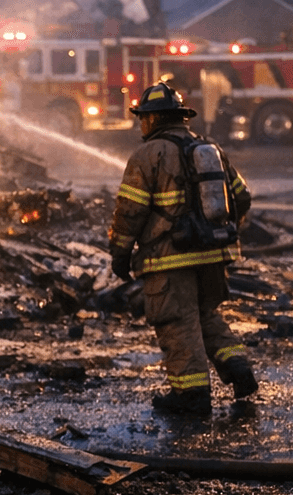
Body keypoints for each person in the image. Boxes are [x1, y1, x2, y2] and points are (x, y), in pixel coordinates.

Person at [108, 82, 257, 417]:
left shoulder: (147, 155)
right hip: (213, 253)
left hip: (169, 258)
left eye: (143, 118)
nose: (141, 124)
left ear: (155, 118)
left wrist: (119, 254)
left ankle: (190, 395)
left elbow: (130, 212)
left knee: (176, 321)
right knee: (205, 315)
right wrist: (217, 231)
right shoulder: (208, 148)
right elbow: (242, 197)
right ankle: (240, 372)